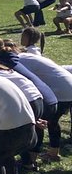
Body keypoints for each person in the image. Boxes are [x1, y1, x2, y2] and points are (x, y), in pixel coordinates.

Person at [16, 27, 72, 162]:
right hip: (66, 86)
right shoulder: (28, 53)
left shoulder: (23, 56)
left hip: (61, 90)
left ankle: (37, 157)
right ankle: (51, 152)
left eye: (23, 36)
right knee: (51, 121)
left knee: (43, 122)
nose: (21, 39)